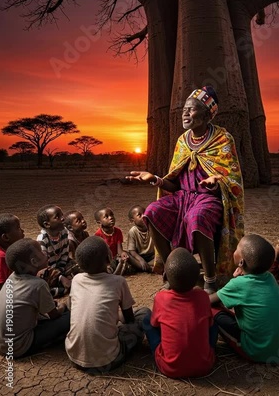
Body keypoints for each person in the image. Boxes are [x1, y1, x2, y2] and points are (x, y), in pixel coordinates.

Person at [127, 86, 244, 292]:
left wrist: (216, 182)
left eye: (191, 109)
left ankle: (209, 279)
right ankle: (173, 270)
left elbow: (232, 181)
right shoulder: (183, 141)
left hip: (209, 200)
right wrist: (154, 178)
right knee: (153, 211)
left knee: (196, 217)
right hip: (182, 198)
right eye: (184, 110)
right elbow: (174, 183)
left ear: (207, 115)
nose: (186, 113)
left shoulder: (223, 139)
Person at [65, 236, 150, 372]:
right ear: (108, 258)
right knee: (144, 314)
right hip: (107, 361)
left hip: (74, 356)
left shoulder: (76, 280)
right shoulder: (118, 282)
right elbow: (129, 319)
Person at [143, 248, 216, 378]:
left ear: (165, 277)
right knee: (213, 322)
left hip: (170, 368)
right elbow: (209, 325)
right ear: (197, 279)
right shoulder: (203, 296)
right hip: (205, 365)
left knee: (146, 319)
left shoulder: (161, 298)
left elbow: (154, 325)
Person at [210, 234, 279, 362]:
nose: (234, 251)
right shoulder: (270, 278)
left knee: (212, 311)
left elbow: (209, 301)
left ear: (241, 262)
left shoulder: (238, 285)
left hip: (256, 351)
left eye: (236, 248)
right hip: (276, 349)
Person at [0, 238, 70, 358]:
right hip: (19, 347)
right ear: (34, 262)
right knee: (70, 316)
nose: (45, 253)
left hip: (2, 343)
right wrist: (62, 307)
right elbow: (54, 315)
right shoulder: (38, 285)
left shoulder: (12, 277)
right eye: (41, 253)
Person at [36, 204, 78, 297]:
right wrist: (60, 277)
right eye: (57, 217)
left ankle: (64, 286)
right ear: (47, 224)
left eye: (62, 215)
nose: (63, 218)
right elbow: (44, 267)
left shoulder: (64, 232)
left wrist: (62, 270)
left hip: (60, 266)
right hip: (49, 271)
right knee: (43, 284)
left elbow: (64, 255)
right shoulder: (42, 240)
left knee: (79, 266)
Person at [94, 207, 130, 275]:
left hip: (116, 258)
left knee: (128, 255)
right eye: (106, 217)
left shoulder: (118, 231)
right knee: (108, 269)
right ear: (99, 222)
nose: (111, 218)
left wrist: (122, 254)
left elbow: (119, 249)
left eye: (112, 215)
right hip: (107, 261)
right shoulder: (98, 235)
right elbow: (100, 254)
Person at [0, 213, 24, 292]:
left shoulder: (9, 252)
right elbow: (0, 288)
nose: (23, 230)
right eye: (18, 228)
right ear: (5, 237)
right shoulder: (1, 257)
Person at [127, 205, 154, 272]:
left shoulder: (152, 227)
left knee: (162, 257)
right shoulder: (132, 231)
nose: (143, 216)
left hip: (152, 256)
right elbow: (132, 251)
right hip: (139, 256)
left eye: (144, 213)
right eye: (139, 215)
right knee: (127, 256)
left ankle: (143, 267)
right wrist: (141, 260)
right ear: (132, 220)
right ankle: (147, 267)